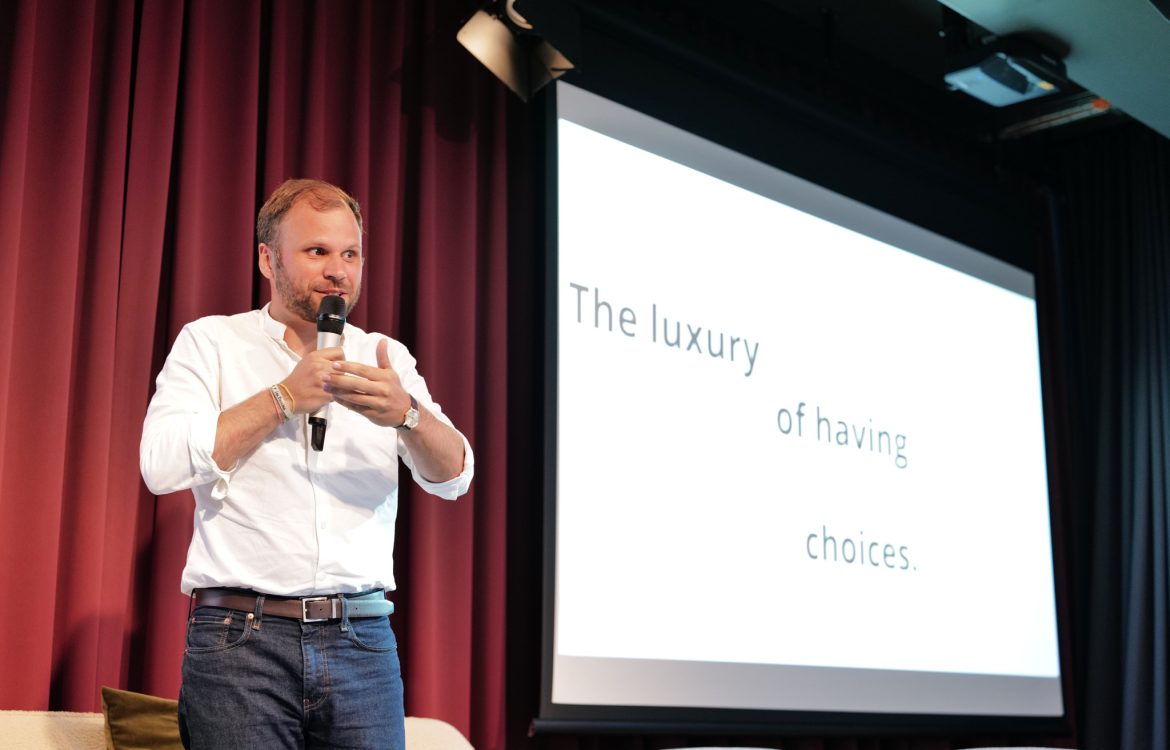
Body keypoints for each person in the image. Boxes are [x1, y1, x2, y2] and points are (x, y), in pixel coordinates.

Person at [140, 178, 473, 749]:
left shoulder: (382, 357)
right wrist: (284, 397)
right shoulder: (212, 343)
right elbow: (161, 463)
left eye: (351, 254)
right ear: (267, 259)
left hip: (362, 640)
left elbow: (456, 476)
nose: (338, 271)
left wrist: (408, 415)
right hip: (241, 642)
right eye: (317, 251)